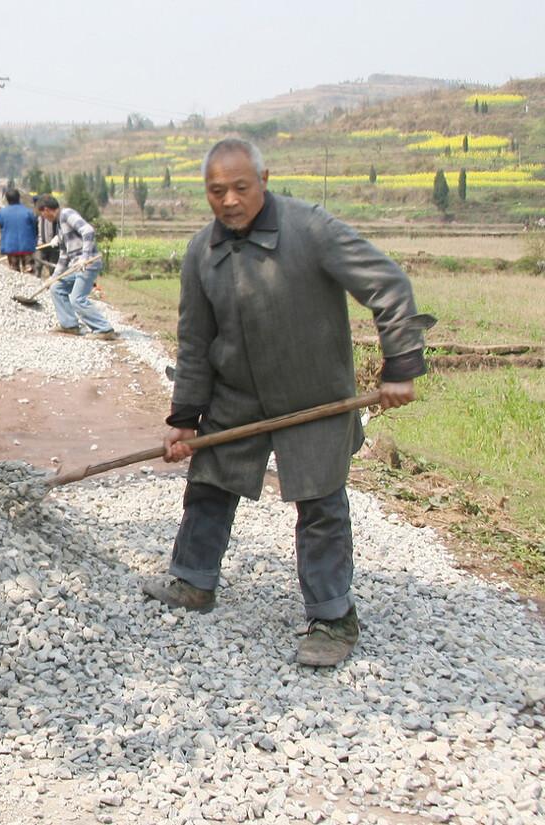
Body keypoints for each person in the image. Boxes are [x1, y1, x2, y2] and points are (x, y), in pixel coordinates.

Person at [144, 138, 434, 667]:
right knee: (209, 484)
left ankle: (332, 617)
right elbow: (194, 342)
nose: (229, 200)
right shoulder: (200, 253)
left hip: (313, 395)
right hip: (236, 396)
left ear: (264, 179)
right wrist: (185, 420)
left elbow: (387, 284)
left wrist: (401, 367)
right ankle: (194, 581)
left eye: (240, 187)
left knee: (321, 504)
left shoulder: (310, 229)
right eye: (216, 191)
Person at [37, 195, 116, 340]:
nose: (43, 217)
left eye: (42, 214)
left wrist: (85, 257)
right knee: (56, 288)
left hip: (88, 265)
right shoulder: (60, 225)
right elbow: (64, 255)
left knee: (77, 299)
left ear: (46, 210)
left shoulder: (67, 214)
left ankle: (104, 329)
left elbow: (88, 231)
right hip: (76, 267)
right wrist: (53, 278)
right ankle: (70, 325)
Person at [0, 188, 36, 272]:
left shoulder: (2, 213)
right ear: (19, 198)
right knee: (29, 269)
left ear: (7, 200)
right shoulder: (28, 212)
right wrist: (34, 240)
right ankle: (29, 272)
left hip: (11, 247)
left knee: (14, 270)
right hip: (27, 246)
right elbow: (34, 227)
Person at [35, 196, 61, 277]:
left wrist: (58, 238)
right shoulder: (39, 218)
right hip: (41, 244)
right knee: (38, 264)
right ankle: (36, 279)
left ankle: (52, 282)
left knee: (52, 266)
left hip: (54, 246)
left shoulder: (56, 218)